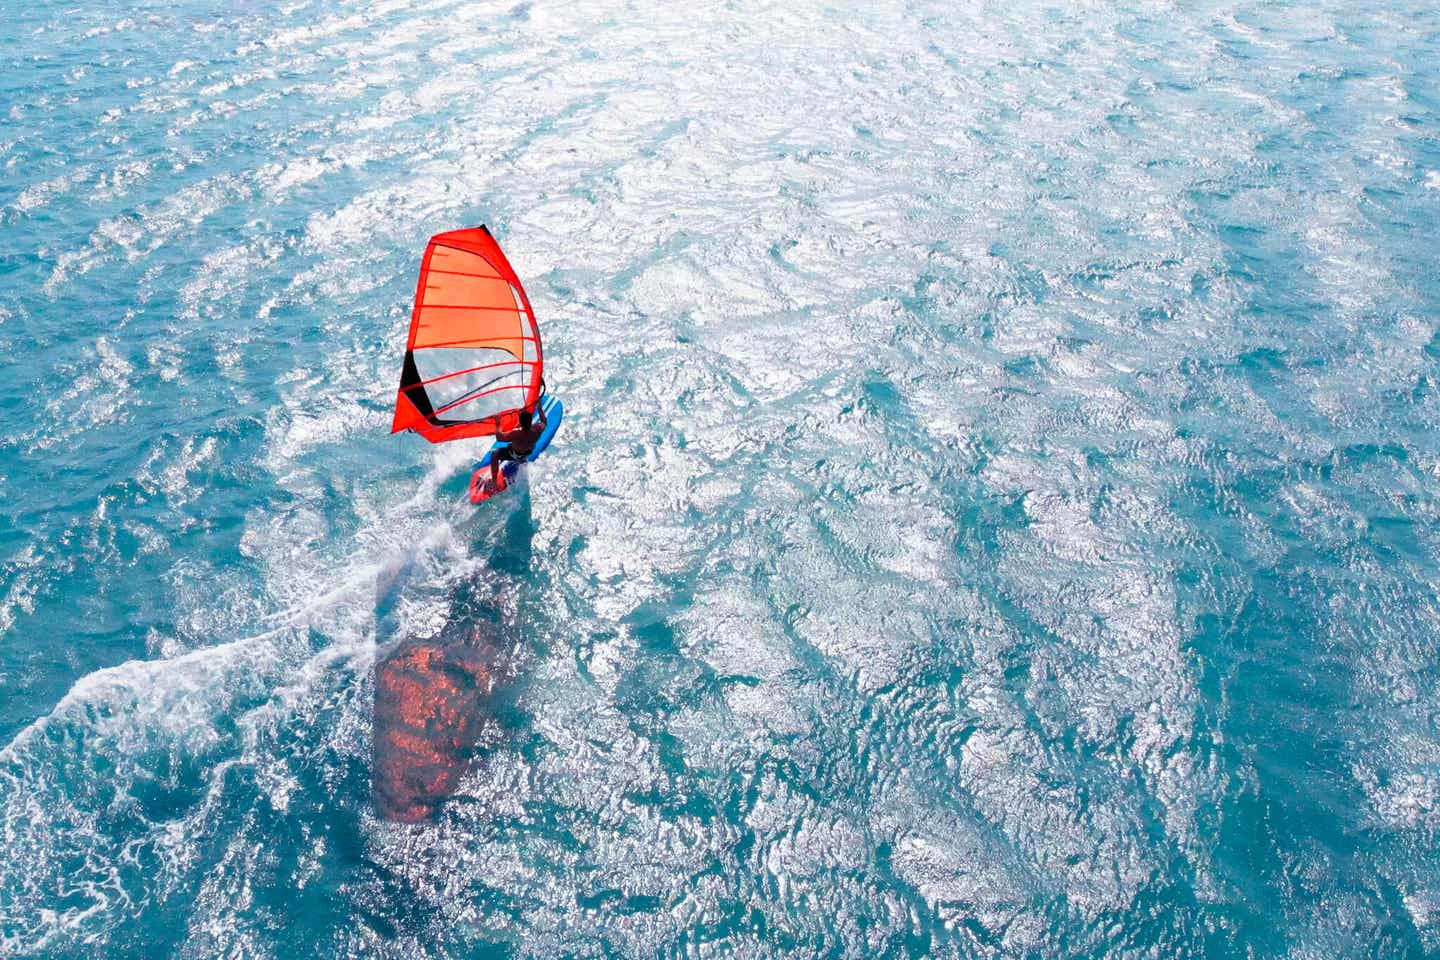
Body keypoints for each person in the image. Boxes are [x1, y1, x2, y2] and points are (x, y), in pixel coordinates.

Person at [484, 404, 546, 493]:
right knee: (521, 447)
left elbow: (499, 438)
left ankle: (494, 482)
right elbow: (544, 421)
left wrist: (498, 423)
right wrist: (540, 408)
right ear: (531, 421)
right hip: (527, 452)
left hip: (514, 454)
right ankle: (522, 460)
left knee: (495, 454)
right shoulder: (537, 429)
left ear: (520, 422)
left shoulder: (516, 433)